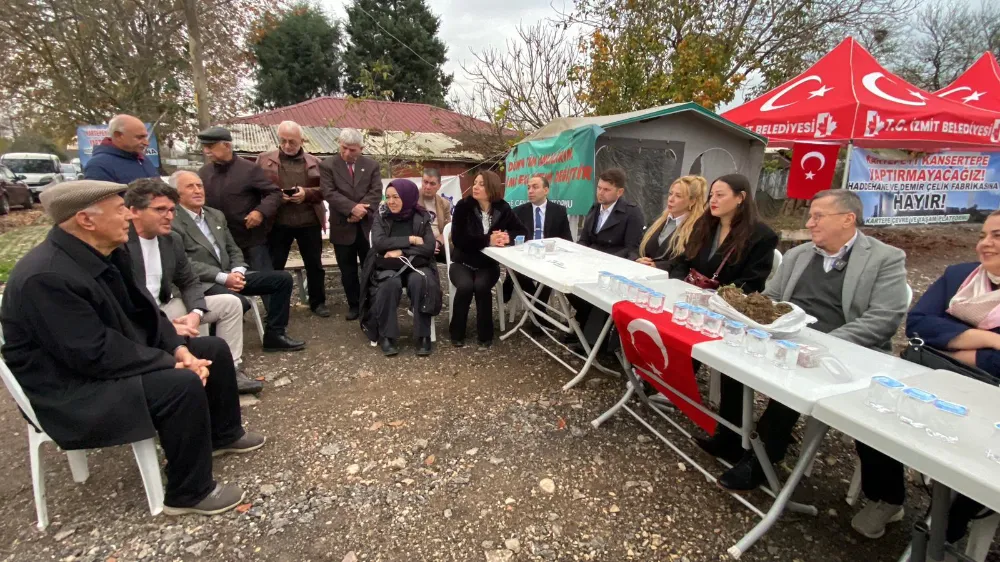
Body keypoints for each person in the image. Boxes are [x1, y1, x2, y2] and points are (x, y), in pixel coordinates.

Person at [0, 180, 265, 516]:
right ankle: (188, 492)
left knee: (210, 347)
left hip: (105, 360)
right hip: (71, 389)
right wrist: (169, 364)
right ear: (86, 220)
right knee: (179, 385)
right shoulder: (47, 276)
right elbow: (92, 353)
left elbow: (147, 312)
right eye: (119, 209)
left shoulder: (107, 253)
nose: (128, 216)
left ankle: (222, 435)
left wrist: (178, 349)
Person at [705, 190, 907, 503]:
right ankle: (732, 436)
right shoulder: (800, 255)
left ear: (847, 219)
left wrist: (825, 344)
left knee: (793, 385)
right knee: (727, 354)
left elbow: (884, 319)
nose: (809, 223)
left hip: (843, 350)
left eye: (817, 216)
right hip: (787, 335)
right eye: (810, 215)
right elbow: (769, 299)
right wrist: (755, 322)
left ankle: (762, 459)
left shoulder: (885, 258)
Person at [848, 211, 1000, 541]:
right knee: (870, 410)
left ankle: (948, 529)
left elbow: (937, 337)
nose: (985, 244)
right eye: (983, 235)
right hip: (930, 377)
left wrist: (951, 343)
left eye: (997, 236)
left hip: (990, 402)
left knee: (982, 454)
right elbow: (918, 325)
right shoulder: (960, 276)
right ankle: (887, 498)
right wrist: (991, 340)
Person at [124, 178, 262, 395]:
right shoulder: (120, 243)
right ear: (134, 211)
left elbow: (188, 281)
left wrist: (196, 312)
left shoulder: (171, 240)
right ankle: (186, 372)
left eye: (171, 210)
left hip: (167, 306)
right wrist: (160, 325)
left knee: (230, 303)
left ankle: (231, 369)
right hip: (138, 316)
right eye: (160, 210)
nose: (169, 216)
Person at [169, 170, 305, 352]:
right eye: (190, 186)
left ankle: (274, 336)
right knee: (239, 302)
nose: (197, 191)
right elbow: (184, 263)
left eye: (199, 186)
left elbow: (233, 248)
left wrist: (238, 271)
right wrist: (223, 278)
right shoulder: (173, 221)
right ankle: (218, 349)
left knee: (282, 279)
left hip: (232, 275)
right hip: (202, 283)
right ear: (176, 193)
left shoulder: (214, 215)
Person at [255, 120, 329, 318]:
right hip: (278, 223)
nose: (287, 146)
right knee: (275, 266)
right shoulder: (263, 160)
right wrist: (277, 195)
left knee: (314, 265)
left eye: (292, 142)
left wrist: (306, 193)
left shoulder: (315, 162)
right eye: (283, 141)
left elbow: (325, 191)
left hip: (309, 221)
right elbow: (255, 189)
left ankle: (318, 302)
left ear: (301, 140)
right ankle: (274, 306)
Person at [359, 179, 439, 357]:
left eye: (396, 197)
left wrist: (399, 250)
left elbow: (428, 247)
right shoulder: (381, 215)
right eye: (388, 197)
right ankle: (387, 335)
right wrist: (410, 240)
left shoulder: (421, 216)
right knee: (389, 283)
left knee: (421, 280)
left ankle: (422, 334)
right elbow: (379, 243)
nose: (391, 201)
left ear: (407, 196)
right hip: (388, 265)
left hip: (416, 264)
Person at [449, 170, 527, 349]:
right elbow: (458, 239)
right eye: (475, 183)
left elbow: (523, 232)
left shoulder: (502, 208)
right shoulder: (463, 206)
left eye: (481, 184)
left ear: (491, 188)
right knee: (466, 286)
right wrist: (488, 240)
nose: (475, 187)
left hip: (487, 265)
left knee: (482, 286)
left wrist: (507, 237)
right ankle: (457, 332)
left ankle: (485, 335)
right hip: (462, 262)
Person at [668, 174, 777, 293]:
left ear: (740, 197)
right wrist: (678, 285)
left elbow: (752, 282)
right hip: (688, 294)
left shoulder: (762, 235)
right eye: (711, 195)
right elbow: (684, 260)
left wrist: (715, 296)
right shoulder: (704, 223)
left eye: (719, 195)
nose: (713, 200)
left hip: (725, 304)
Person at [196, 126, 282, 272]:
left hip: (250, 239)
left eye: (210, 146)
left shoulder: (249, 169)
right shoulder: (204, 173)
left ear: (227, 145)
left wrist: (260, 212)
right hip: (219, 241)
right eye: (204, 147)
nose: (206, 151)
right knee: (228, 287)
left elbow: (274, 193)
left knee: (267, 283)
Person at [319, 128, 382, 321]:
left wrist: (361, 211)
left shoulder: (371, 166)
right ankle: (354, 305)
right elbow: (329, 192)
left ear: (361, 148)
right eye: (344, 148)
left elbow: (376, 192)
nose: (347, 153)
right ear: (339, 144)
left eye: (352, 150)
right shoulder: (328, 165)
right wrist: (352, 208)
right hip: (342, 225)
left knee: (369, 268)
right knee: (347, 271)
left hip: (366, 227)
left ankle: (370, 303)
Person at [502, 173, 573, 304]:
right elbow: (512, 238)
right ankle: (540, 313)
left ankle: (536, 312)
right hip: (525, 258)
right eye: (528, 188)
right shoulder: (518, 211)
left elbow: (567, 240)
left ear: (546, 190)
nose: (530, 191)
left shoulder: (558, 211)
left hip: (550, 258)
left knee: (550, 275)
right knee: (517, 273)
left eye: (535, 187)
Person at [636, 175, 708, 271]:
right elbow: (638, 245)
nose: (670, 199)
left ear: (692, 201)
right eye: (670, 194)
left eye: (678, 196)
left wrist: (657, 266)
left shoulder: (698, 228)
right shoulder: (658, 221)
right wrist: (638, 259)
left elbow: (687, 262)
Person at [578, 168, 645, 260]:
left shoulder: (632, 213)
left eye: (606, 190)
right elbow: (584, 240)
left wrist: (608, 260)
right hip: (590, 261)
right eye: (599, 188)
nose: (600, 193)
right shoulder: (595, 208)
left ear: (619, 192)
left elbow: (632, 249)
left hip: (615, 264)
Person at [83, 114, 158, 184]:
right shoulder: (98, 166)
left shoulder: (143, 159)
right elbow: (104, 198)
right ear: (118, 136)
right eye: (139, 137)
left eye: (145, 137)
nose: (146, 143)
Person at [419, 168, 453, 262]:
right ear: (421, 182)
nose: (428, 186)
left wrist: (437, 242)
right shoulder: (413, 200)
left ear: (439, 186)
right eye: (425, 182)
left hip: (438, 244)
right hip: (419, 242)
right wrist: (428, 244)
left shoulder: (444, 203)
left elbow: (448, 229)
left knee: (457, 253)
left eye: (432, 184)